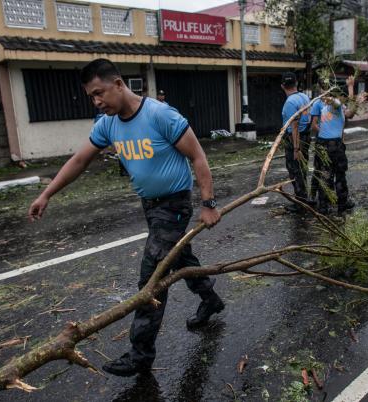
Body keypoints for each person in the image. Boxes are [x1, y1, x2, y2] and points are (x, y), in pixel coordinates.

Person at [28, 59, 224, 377]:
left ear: (119, 84)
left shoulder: (160, 114)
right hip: (150, 205)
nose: (97, 101)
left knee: (152, 277)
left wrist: (208, 203)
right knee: (178, 257)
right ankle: (210, 298)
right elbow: (79, 160)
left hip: (174, 205)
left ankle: (141, 352)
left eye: (99, 93)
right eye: (91, 96)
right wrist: (46, 194)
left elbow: (198, 156)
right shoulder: (107, 124)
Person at [310, 76, 363, 215]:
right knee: (325, 176)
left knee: (339, 174)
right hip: (324, 144)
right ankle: (323, 206)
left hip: (336, 144)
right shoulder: (319, 104)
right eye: (323, 88)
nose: (325, 91)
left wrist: (355, 100)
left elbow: (349, 114)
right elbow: (314, 124)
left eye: (327, 88)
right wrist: (322, 131)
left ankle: (342, 203)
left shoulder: (337, 103)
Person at [281, 71, 312, 212]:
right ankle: (304, 197)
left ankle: (301, 203)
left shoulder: (289, 102)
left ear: (282, 86)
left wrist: (295, 148)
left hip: (295, 139)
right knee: (302, 168)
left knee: (294, 170)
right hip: (306, 136)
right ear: (296, 83)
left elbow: (294, 126)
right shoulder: (305, 97)